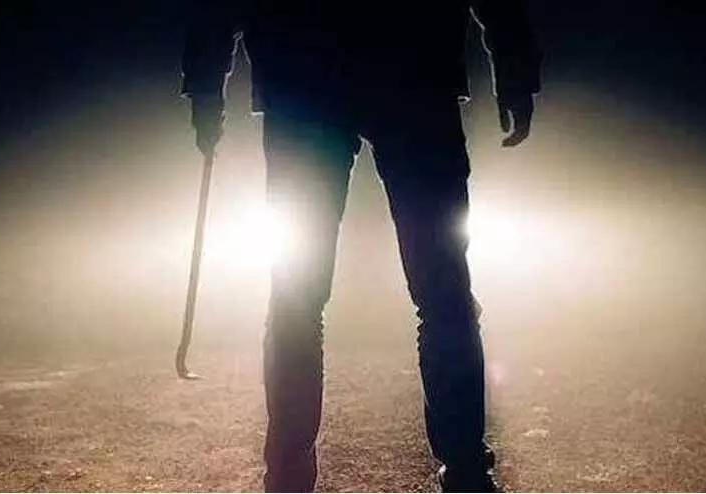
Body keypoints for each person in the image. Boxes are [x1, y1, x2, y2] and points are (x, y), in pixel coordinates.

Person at [181, 1, 541, 491]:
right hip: (410, 67)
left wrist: (205, 83)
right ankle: (465, 472)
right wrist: (514, 64)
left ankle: (288, 475)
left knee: (299, 301)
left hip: (307, 77)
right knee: (442, 294)